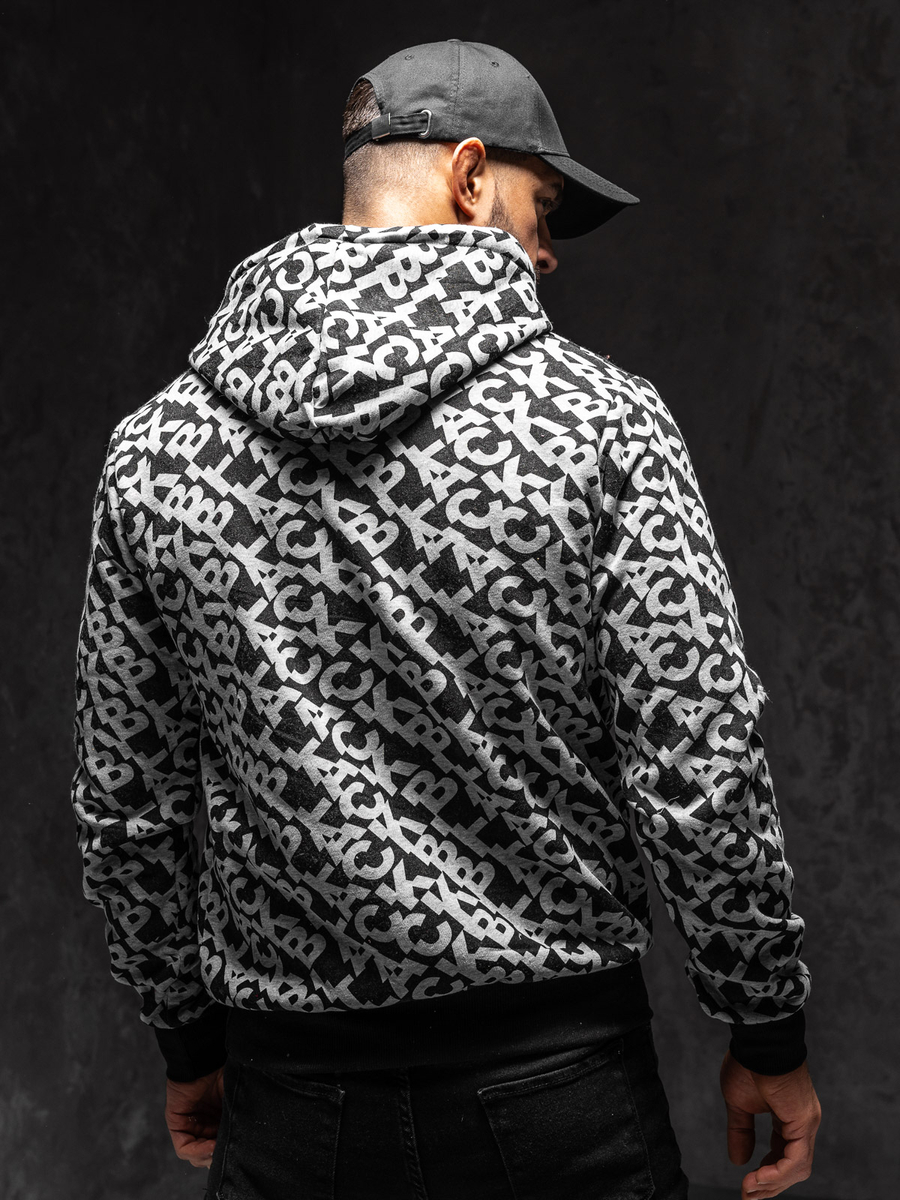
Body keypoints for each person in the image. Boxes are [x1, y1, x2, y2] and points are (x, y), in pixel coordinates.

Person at [70, 37, 821, 1200]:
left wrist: (187, 1036)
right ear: (470, 177)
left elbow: (126, 804)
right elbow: (701, 763)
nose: (547, 253)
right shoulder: (601, 426)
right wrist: (764, 1027)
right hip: (559, 1096)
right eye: (544, 210)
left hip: (290, 1104)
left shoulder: (157, 451)